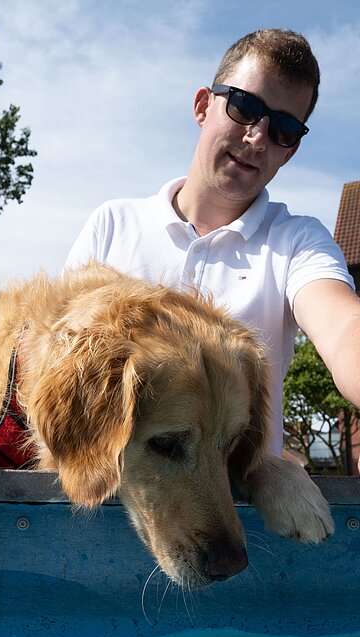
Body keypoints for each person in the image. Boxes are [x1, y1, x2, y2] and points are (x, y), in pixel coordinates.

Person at [65, 28, 360, 467]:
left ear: (291, 150)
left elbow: (343, 329)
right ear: (203, 106)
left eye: (283, 128)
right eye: (245, 106)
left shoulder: (298, 241)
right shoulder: (113, 223)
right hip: (107, 507)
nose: (258, 137)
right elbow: (52, 356)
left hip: (238, 519)